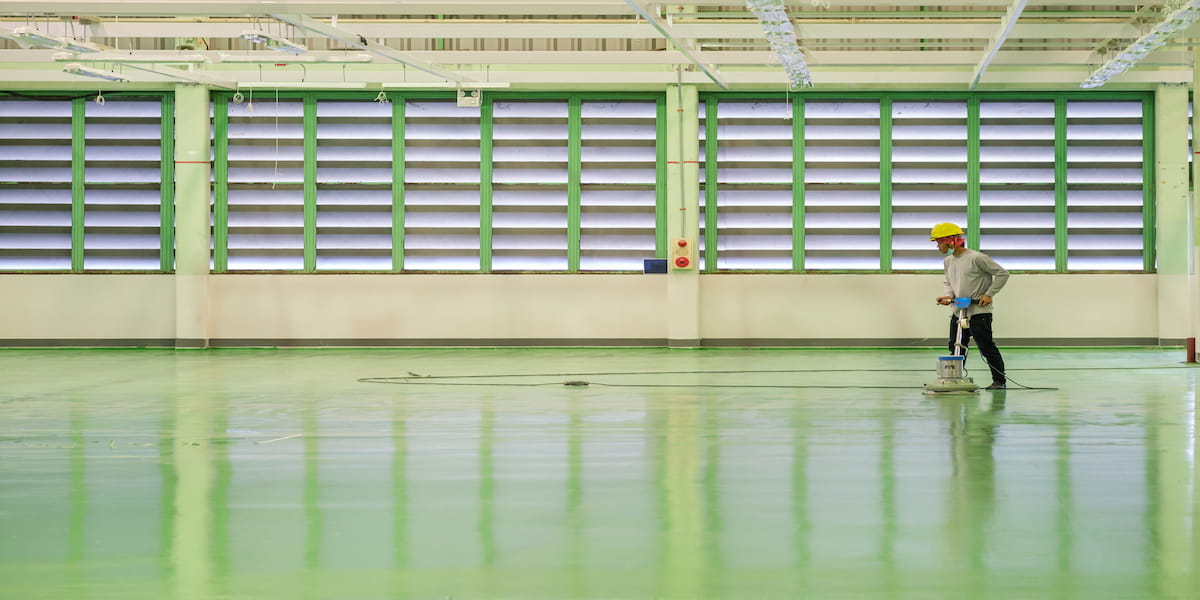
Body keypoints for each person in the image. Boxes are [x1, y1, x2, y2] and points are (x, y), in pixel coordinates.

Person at [930, 223, 1009, 390]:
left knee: (986, 347)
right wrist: (948, 296)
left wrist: (989, 294)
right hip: (958, 311)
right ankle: (955, 378)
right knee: (956, 346)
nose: (937, 246)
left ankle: (999, 381)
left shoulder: (977, 258)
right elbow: (948, 282)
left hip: (979, 312)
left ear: (949, 241)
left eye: (938, 242)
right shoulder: (948, 261)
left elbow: (1002, 273)